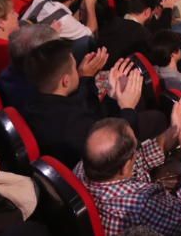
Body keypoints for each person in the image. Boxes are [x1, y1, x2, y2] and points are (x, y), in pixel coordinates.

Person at [75, 92, 181, 236]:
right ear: (126, 166)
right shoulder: (143, 203)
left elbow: (141, 158)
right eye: (136, 148)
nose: (139, 150)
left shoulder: (85, 164)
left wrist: (175, 130)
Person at [20, 39, 141, 167]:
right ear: (65, 81)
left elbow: (82, 107)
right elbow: (120, 149)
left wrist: (87, 79)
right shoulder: (74, 126)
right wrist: (128, 107)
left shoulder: (32, 97)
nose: (78, 68)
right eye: (74, 66)